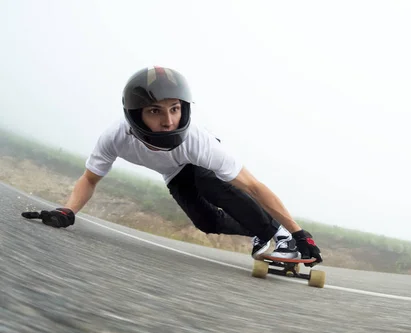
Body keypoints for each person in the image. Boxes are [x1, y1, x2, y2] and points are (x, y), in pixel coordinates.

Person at [21, 66, 323, 264]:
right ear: (136, 114)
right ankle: (263, 231)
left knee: (208, 181)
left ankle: (277, 233)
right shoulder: (115, 137)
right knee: (206, 223)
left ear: (184, 109)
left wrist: (298, 232)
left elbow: (253, 187)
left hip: (192, 164)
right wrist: (67, 211)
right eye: (155, 111)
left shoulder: (197, 141)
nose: (168, 121)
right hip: (174, 173)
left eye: (175, 109)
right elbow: (89, 179)